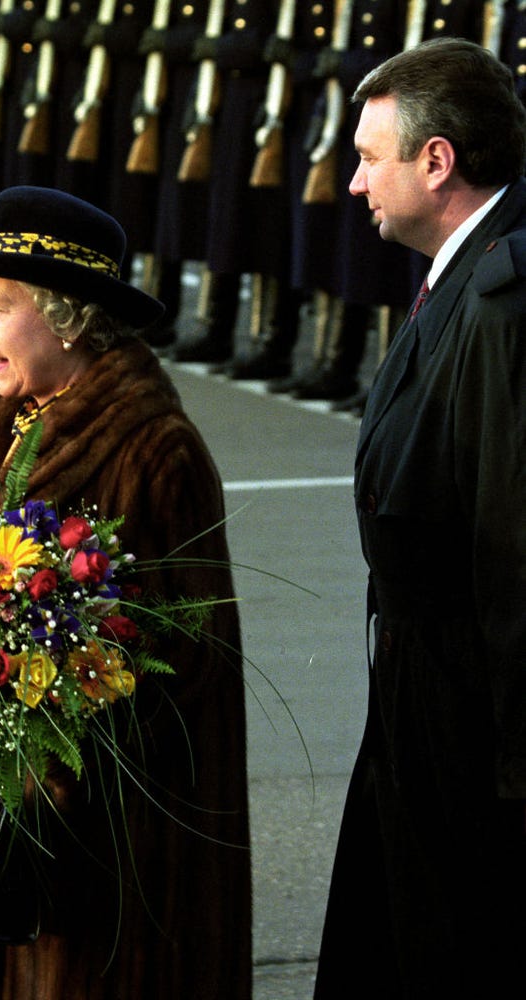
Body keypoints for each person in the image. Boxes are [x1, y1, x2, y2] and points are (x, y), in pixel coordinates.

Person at [0, 185, 252, 999]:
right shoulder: (6, 421)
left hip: (90, 852)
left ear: (66, 314)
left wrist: (48, 696)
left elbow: (188, 659)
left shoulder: (155, 450)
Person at [314, 37, 526, 998]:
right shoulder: (464, 269)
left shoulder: (502, 300)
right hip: (421, 692)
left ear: (437, 161)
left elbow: (511, 543)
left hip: (469, 727)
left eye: (370, 156)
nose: (354, 181)